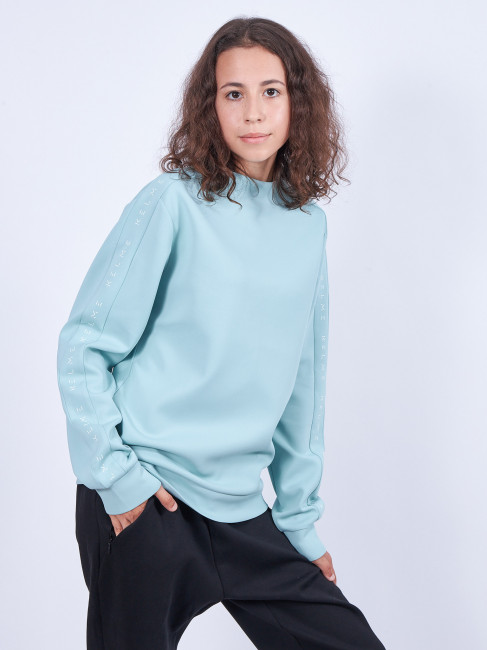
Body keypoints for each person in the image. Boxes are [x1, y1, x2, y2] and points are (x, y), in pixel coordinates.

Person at [57, 16, 386, 650]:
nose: (252, 112)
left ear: (298, 103)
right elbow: (84, 344)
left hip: (242, 512)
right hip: (150, 500)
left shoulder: (307, 226)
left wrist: (299, 522)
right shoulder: (172, 202)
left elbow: (302, 388)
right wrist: (117, 478)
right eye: (233, 93)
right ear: (210, 105)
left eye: (271, 91)